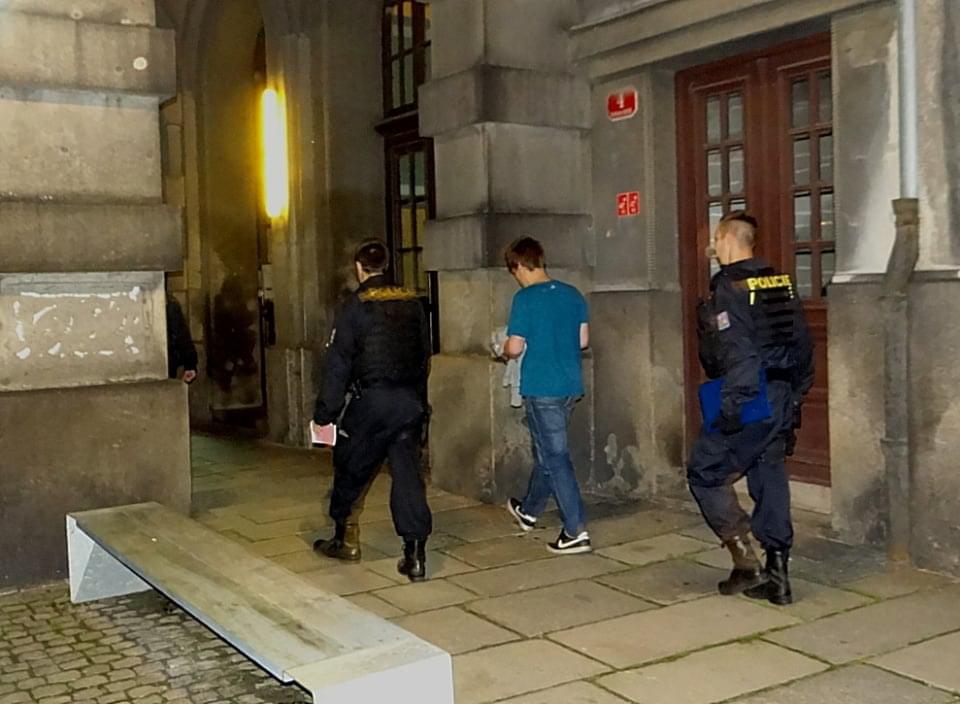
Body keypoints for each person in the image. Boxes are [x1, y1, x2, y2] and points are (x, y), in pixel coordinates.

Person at [687, 211, 814, 605]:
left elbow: (738, 352)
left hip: (749, 394)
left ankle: (745, 561)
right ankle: (778, 577)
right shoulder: (779, 281)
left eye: (715, 238)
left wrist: (730, 412)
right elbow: (803, 344)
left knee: (704, 472)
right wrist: (795, 396)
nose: (713, 246)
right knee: (768, 471)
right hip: (781, 393)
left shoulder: (730, 286)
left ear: (726, 238)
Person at [311, 239, 433, 581]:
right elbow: (423, 354)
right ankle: (415, 554)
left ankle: (345, 538)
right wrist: (418, 402)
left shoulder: (354, 306)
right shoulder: (411, 302)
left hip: (373, 402)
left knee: (349, 465)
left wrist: (325, 414)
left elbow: (338, 365)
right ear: (386, 265)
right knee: (408, 475)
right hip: (408, 402)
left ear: (359, 267)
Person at [501, 237, 592, 555]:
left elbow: (515, 347)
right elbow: (582, 341)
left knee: (556, 457)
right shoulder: (572, 294)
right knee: (547, 452)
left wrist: (502, 348)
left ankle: (575, 530)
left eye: (514, 271)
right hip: (569, 384)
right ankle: (529, 510)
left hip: (541, 385)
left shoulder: (525, 299)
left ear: (518, 266)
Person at [166, 296, 198, 383]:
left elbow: (180, 333)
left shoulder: (170, 305)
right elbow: (180, 333)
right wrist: (190, 364)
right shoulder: (169, 305)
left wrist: (190, 364)